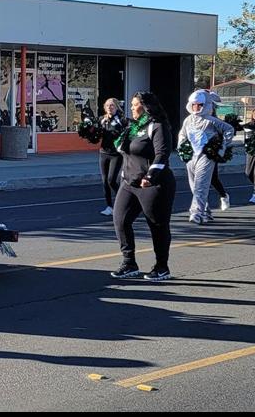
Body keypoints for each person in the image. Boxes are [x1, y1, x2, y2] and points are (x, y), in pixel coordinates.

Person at [109, 91, 176, 281]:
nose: (131, 107)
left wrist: (151, 175)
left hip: (153, 184)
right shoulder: (132, 127)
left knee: (157, 225)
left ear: (146, 106)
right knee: (120, 220)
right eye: (131, 104)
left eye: (135, 104)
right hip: (129, 182)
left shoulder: (157, 126)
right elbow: (121, 148)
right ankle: (129, 263)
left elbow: (162, 154)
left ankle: (161, 266)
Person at [180, 89, 233, 225]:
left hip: (206, 156)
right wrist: (182, 148)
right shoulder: (188, 120)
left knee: (201, 185)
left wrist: (221, 147)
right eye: (194, 105)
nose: (196, 108)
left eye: (200, 105)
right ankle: (205, 210)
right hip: (192, 156)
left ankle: (196, 213)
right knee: (194, 185)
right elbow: (182, 135)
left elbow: (229, 129)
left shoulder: (211, 121)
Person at [96, 97, 125, 216]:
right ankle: (109, 206)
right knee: (105, 182)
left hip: (116, 154)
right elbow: (95, 134)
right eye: (107, 105)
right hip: (104, 153)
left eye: (112, 105)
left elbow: (125, 133)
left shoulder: (121, 120)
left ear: (116, 107)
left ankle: (122, 202)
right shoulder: (102, 119)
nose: (109, 107)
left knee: (111, 180)